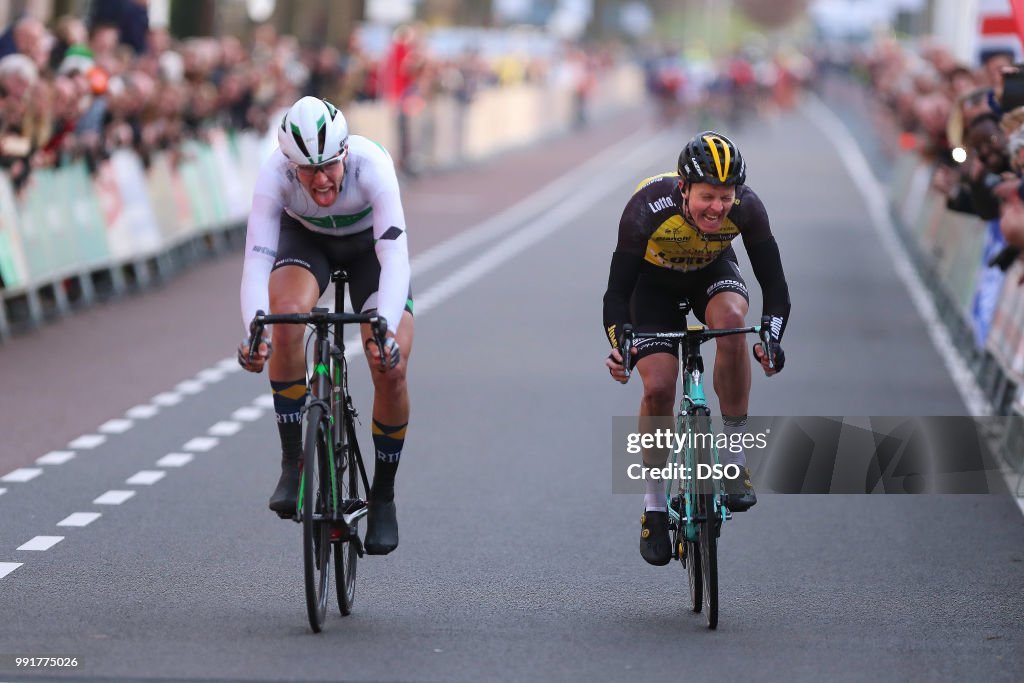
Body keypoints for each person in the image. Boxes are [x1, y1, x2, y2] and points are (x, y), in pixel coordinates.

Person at [602, 131, 790, 566]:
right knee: (659, 387)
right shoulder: (645, 209)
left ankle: (734, 458)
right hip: (651, 290)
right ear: (683, 188)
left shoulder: (748, 208)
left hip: (711, 274)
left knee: (732, 322)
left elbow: (775, 287)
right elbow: (616, 295)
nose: (717, 208)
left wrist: (773, 339)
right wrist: (621, 347)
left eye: (725, 197)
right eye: (707, 196)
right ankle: (652, 504)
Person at [237, 96, 413, 556]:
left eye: (328, 167)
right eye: (305, 170)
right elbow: (256, 263)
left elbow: (394, 256)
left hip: (367, 251)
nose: (319, 180)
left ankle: (383, 495)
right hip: (307, 243)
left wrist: (385, 329)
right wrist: (255, 331)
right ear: (288, 164)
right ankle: (294, 460)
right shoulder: (274, 175)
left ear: (345, 155)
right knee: (287, 318)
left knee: (390, 367)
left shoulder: (372, 165)